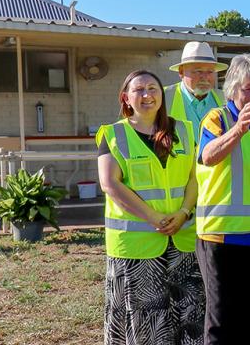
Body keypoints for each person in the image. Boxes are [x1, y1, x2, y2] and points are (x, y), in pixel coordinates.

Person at [98, 69, 203, 345]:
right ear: (126, 97)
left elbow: (195, 178)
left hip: (183, 239)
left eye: (153, 88)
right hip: (136, 245)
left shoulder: (183, 129)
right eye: (139, 90)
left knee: (190, 315)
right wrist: (153, 217)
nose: (147, 95)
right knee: (145, 321)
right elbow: (110, 184)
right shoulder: (113, 134)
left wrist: (183, 213)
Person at [195, 54, 250, 344]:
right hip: (222, 236)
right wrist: (238, 129)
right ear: (233, 89)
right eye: (249, 89)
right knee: (222, 319)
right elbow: (207, 156)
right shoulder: (217, 118)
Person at [166, 41, 226, 141]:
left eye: (210, 72)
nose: (205, 77)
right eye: (198, 71)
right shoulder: (161, 98)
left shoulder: (226, 100)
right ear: (181, 72)